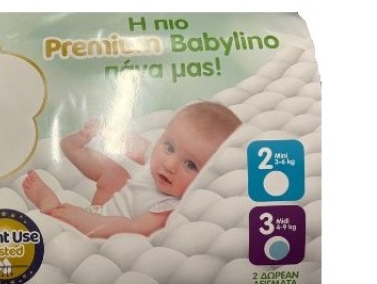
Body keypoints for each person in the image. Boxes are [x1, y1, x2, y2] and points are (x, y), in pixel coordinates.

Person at [22, 102, 241, 238]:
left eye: (190, 165)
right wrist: (106, 131)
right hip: (105, 207)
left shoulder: (168, 208)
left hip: (100, 225)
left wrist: (81, 217)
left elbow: (134, 229)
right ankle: (73, 147)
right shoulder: (159, 160)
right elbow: (134, 144)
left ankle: (52, 207)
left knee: (78, 212)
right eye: (169, 147)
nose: (169, 165)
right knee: (116, 174)